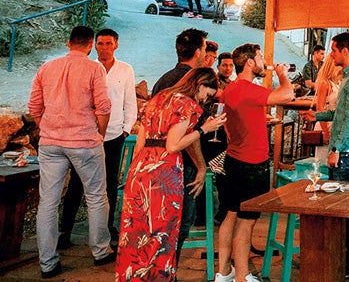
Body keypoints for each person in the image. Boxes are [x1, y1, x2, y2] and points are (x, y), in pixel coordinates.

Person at [117, 68, 225, 282]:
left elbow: (140, 141)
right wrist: (204, 129)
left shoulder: (159, 98)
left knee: (136, 231)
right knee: (161, 233)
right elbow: (174, 145)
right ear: (200, 83)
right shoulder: (186, 104)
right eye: (208, 93)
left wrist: (134, 172)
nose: (206, 98)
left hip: (141, 168)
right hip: (164, 170)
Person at [29, 25, 115, 278]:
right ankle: (100, 251)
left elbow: (34, 107)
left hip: (51, 143)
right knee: (97, 197)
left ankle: (47, 263)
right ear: (90, 45)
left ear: (68, 43)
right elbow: (103, 107)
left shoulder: (47, 67)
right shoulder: (94, 68)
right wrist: (99, 133)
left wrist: (47, 127)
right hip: (84, 142)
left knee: (48, 202)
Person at [214, 44, 294, 282]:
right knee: (246, 222)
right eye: (259, 57)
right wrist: (282, 75)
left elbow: (227, 123)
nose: (263, 61)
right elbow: (286, 95)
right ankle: (242, 276)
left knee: (230, 215)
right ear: (249, 62)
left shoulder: (231, 89)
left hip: (233, 158)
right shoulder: (247, 89)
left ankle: (224, 273)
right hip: (252, 163)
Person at [59, 28, 137, 249]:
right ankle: (65, 229)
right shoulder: (88, 67)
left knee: (109, 183)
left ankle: (107, 226)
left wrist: (126, 128)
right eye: (100, 43)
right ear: (94, 45)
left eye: (108, 43)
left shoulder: (125, 70)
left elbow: (129, 101)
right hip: (86, 134)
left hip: (113, 134)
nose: (104, 47)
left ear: (116, 45)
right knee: (76, 183)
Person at [304, 32, 349, 278]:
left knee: (348, 209)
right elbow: (342, 113)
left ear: (345, 50)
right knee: (343, 207)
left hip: (348, 151)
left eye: (333, 51)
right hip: (346, 148)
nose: (331, 55)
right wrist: (318, 116)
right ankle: (346, 261)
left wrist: (337, 149)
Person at [151, 28, 209, 256]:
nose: (205, 53)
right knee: (181, 223)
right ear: (197, 52)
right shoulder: (193, 83)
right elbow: (190, 132)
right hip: (181, 163)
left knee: (158, 222)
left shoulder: (162, 80)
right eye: (204, 48)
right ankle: (168, 270)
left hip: (155, 161)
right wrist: (202, 167)